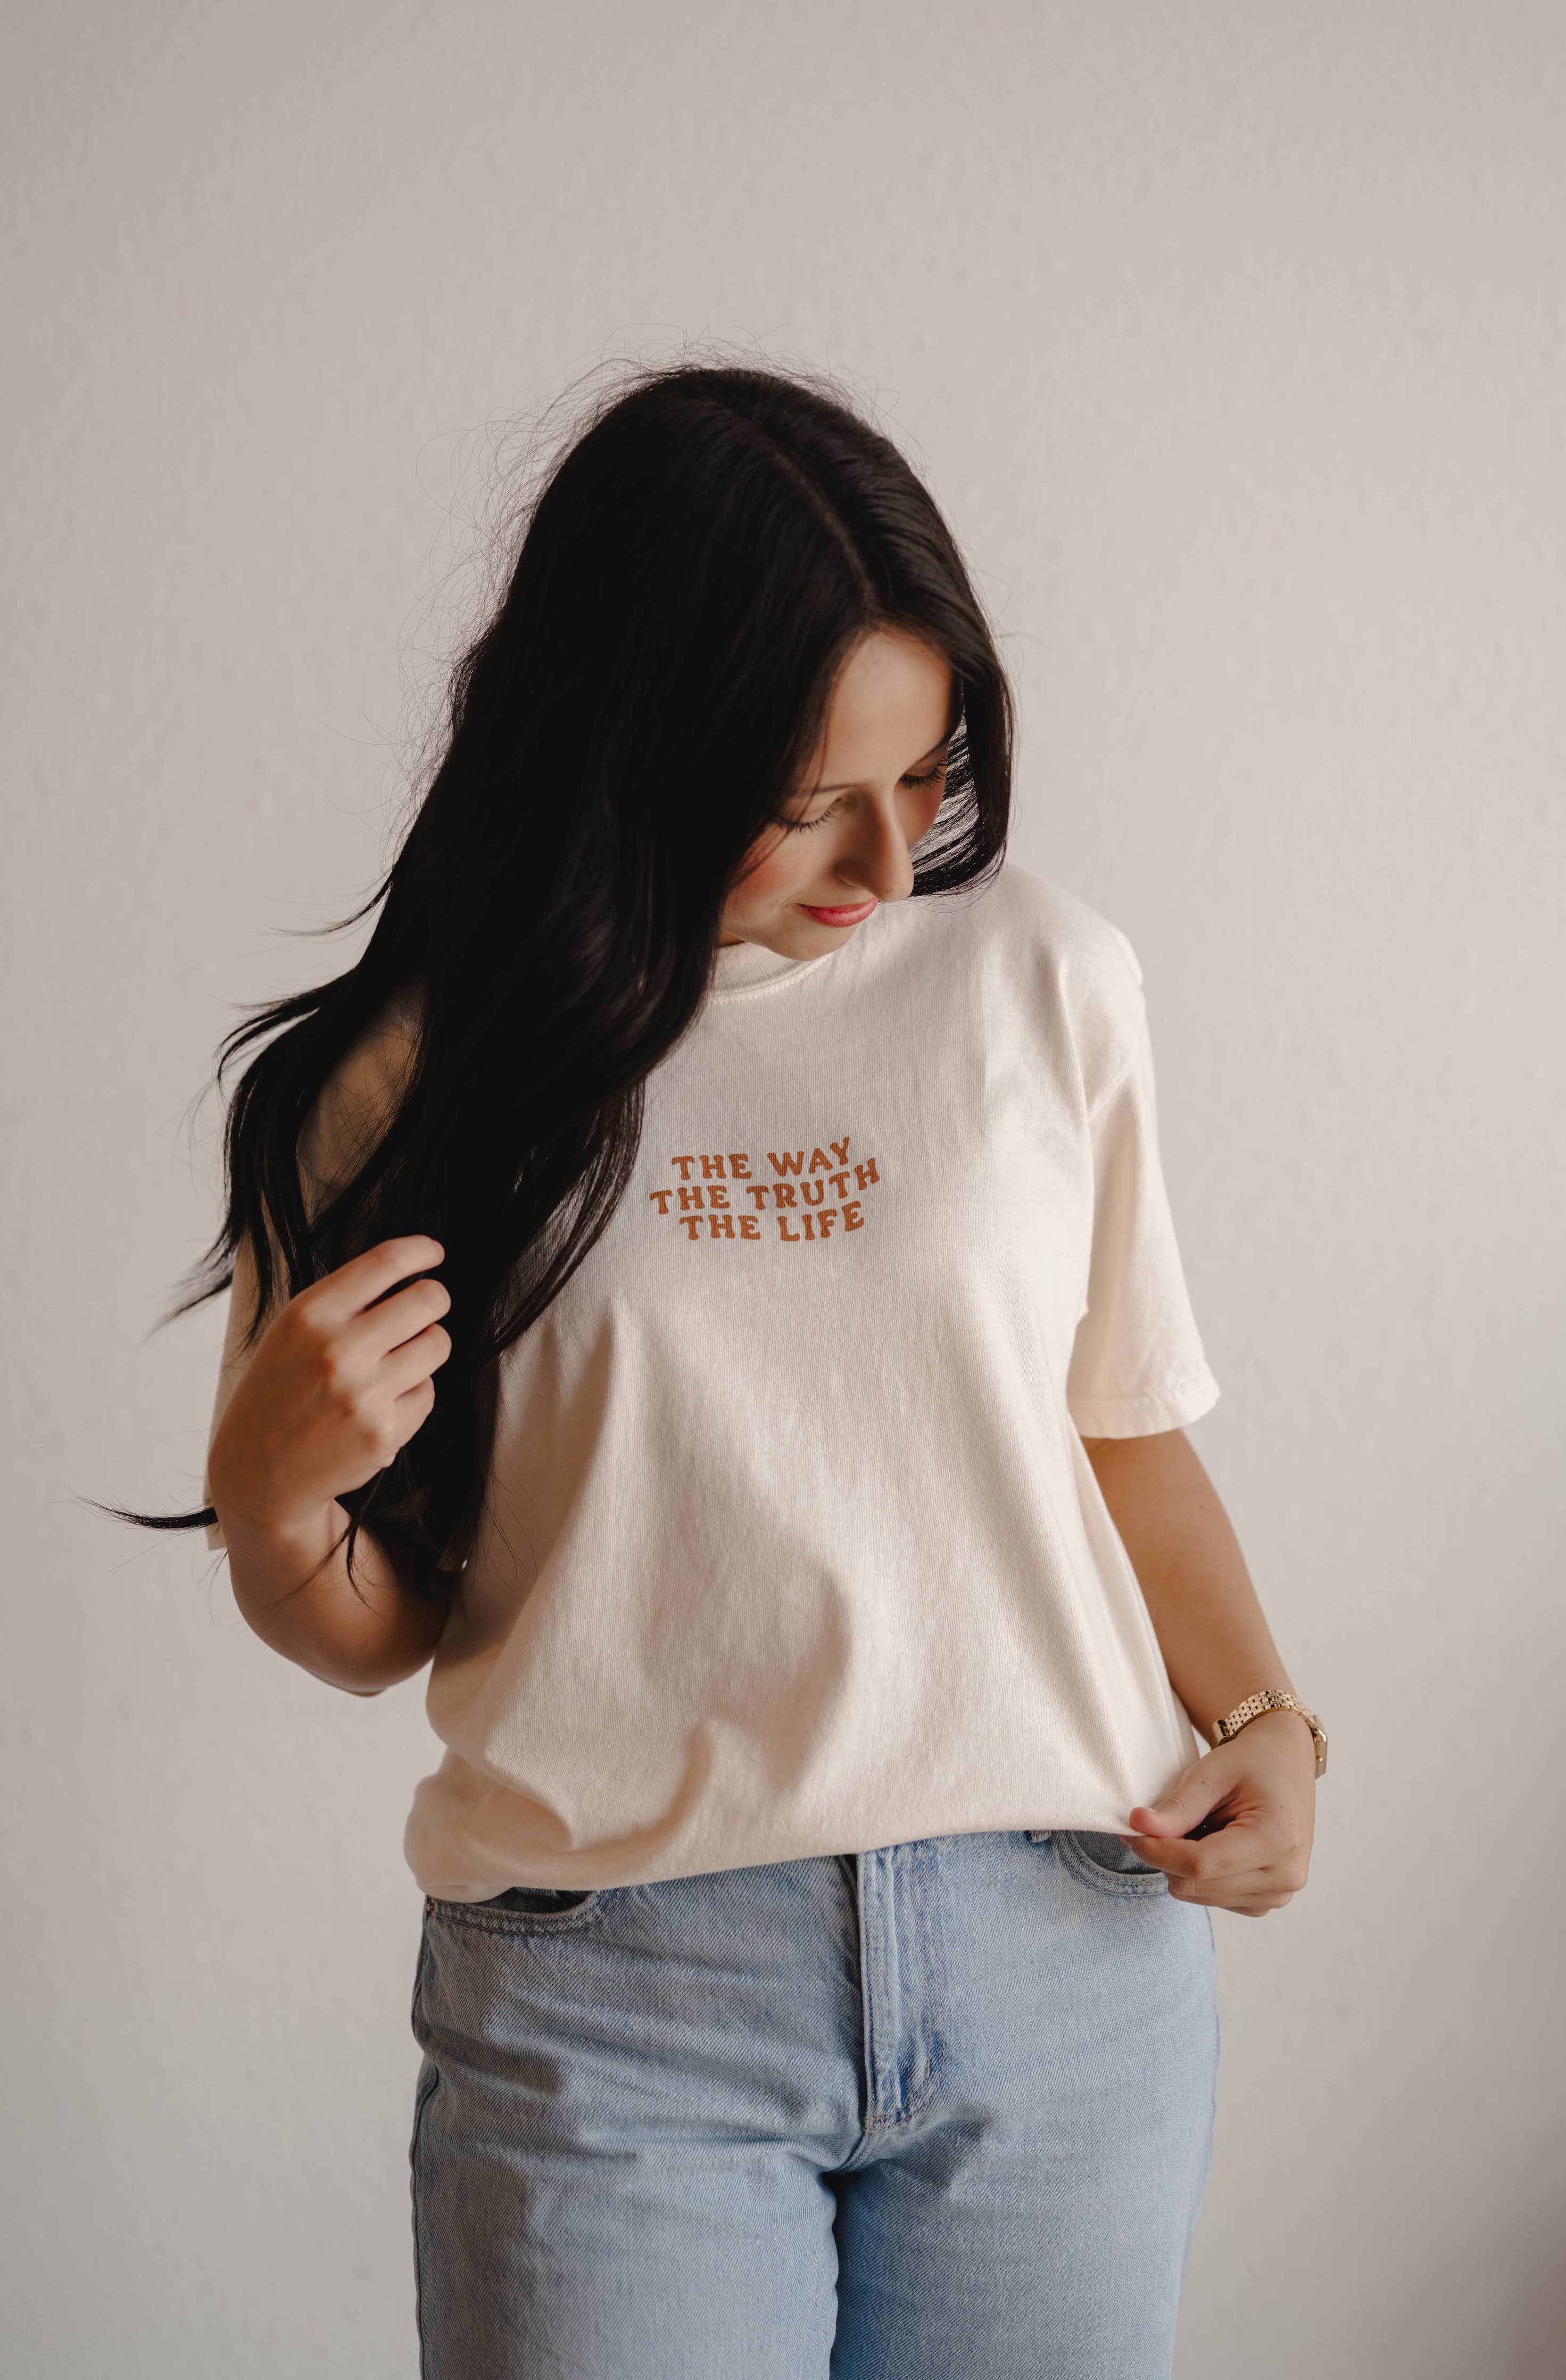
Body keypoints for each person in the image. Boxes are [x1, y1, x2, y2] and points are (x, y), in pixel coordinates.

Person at [131, 360, 1323, 2378]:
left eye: (925, 777)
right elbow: (383, 1627)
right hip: (619, 2005)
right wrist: (270, 1501)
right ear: (632, 742)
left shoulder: (1045, 980)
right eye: (801, 801)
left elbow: (1119, 1433)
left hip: (1064, 1955)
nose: (887, 863)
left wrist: (1270, 1722)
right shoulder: (410, 1088)